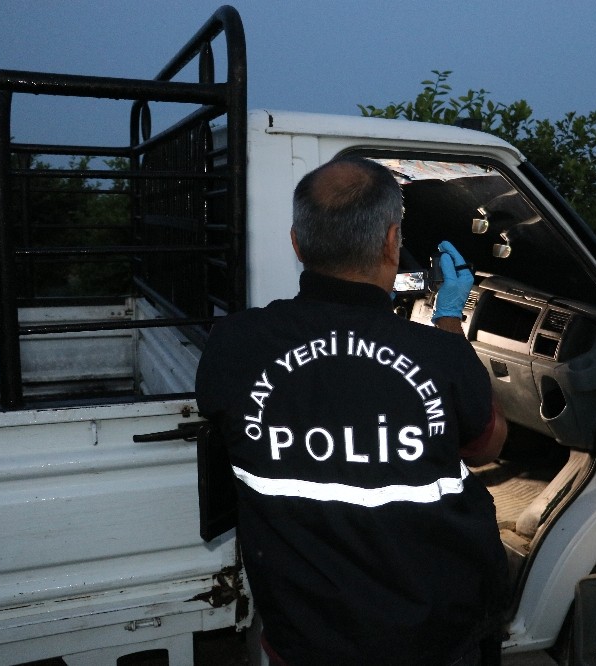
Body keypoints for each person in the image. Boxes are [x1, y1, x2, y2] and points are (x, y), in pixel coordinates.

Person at [195, 156, 508, 666]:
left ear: (298, 244)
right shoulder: (440, 355)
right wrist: (449, 318)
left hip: (301, 638)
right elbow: (487, 444)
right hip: (433, 641)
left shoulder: (232, 343)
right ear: (391, 241)